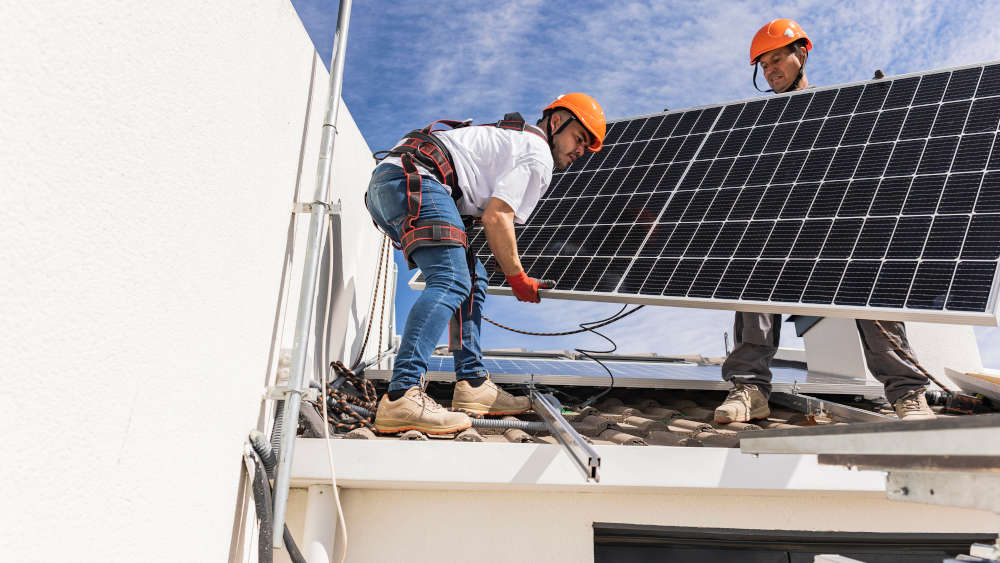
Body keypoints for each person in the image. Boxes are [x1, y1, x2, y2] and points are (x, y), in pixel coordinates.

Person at [714, 19, 935, 423]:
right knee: (751, 269)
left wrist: (883, 111)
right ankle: (749, 389)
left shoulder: (838, 107)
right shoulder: (757, 125)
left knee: (869, 274)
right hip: (782, 235)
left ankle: (907, 393)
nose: (771, 70)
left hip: (834, 232)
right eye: (763, 65)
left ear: (802, 53)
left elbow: (873, 164)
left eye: (777, 59)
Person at [366, 93, 606, 434]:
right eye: (579, 139)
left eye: (587, 147)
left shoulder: (512, 141)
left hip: (395, 182)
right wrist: (518, 277)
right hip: (415, 179)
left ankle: (473, 384)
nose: (580, 150)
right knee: (450, 280)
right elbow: (498, 217)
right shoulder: (536, 154)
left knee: (472, 277)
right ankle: (402, 395)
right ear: (556, 123)